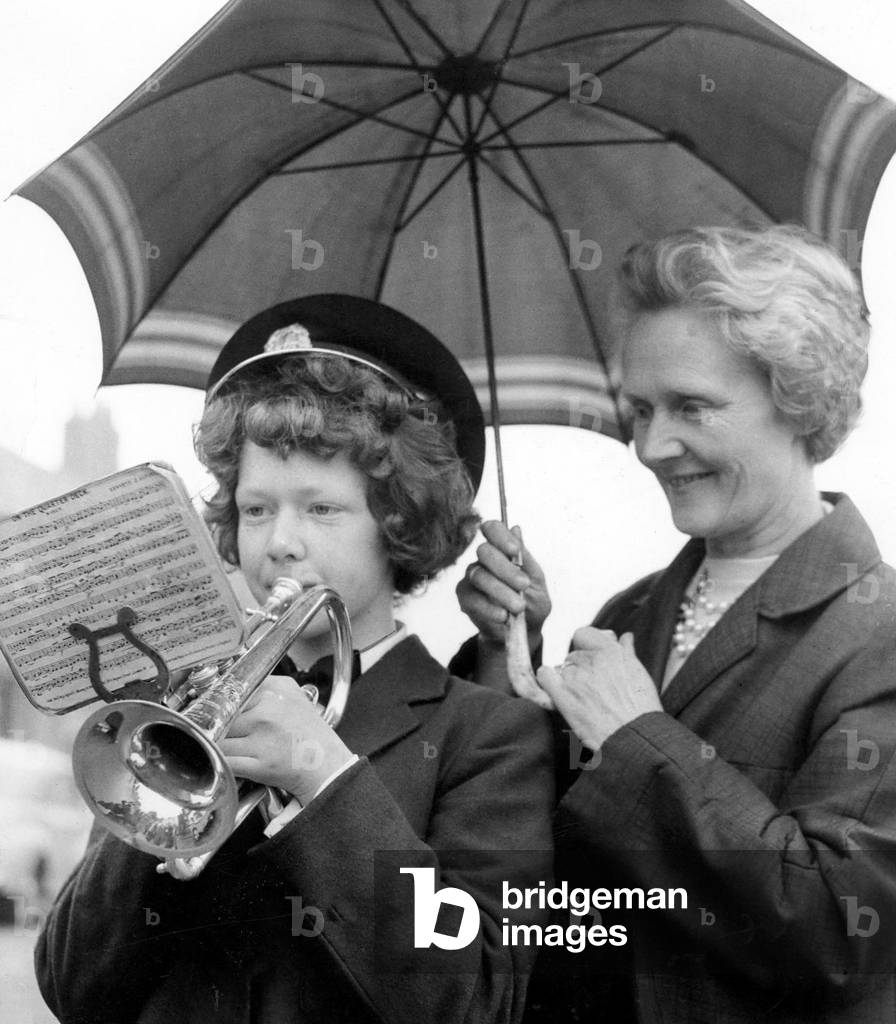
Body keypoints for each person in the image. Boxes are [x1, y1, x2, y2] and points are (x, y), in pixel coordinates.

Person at [35, 294, 555, 1024]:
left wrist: (323, 777)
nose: (280, 542)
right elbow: (71, 989)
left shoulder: (492, 736)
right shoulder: (173, 708)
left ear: (399, 523)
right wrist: (155, 811)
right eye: (256, 509)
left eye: (321, 509)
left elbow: (478, 1002)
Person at [454, 225, 896, 1022]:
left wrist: (636, 738)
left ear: (800, 398)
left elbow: (840, 934)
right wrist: (506, 653)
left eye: (692, 406)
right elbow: (545, 862)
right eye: (640, 409)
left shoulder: (881, 638)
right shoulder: (630, 613)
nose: (653, 446)